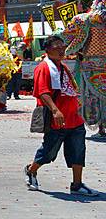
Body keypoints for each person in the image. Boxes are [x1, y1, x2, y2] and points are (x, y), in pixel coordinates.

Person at [24, 35, 99, 196]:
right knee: (49, 151)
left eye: (62, 47)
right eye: (57, 47)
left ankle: (77, 184)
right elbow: (42, 92)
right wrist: (55, 110)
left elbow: (73, 89)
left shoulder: (63, 67)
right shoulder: (44, 68)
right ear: (47, 50)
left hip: (74, 118)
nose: (61, 50)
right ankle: (31, 170)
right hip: (57, 120)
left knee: (78, 151)